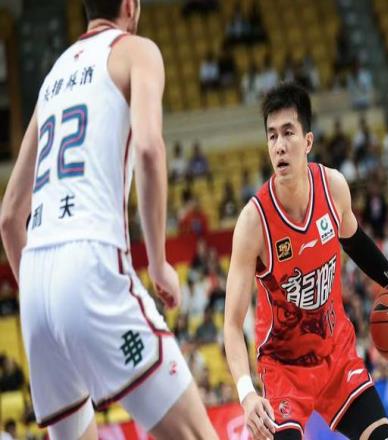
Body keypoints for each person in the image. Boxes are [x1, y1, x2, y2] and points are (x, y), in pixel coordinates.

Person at [0, 1, 217, 439]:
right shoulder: (136, 51)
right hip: (90, 262)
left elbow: (8, 216)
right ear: (131, 5)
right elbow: (150, 149)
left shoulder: (53, 77)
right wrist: (158, 263)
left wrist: (46, 300)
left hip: (35, 285)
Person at [224, 83, 388, 440]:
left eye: (288, 133)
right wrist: (247, 394)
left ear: (308, 141)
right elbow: (232, 325)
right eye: (272, 136)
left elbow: (355, 241)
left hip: (336, 356)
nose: (279, 145)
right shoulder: (253, 222)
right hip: (284, 368)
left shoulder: (333, 187)